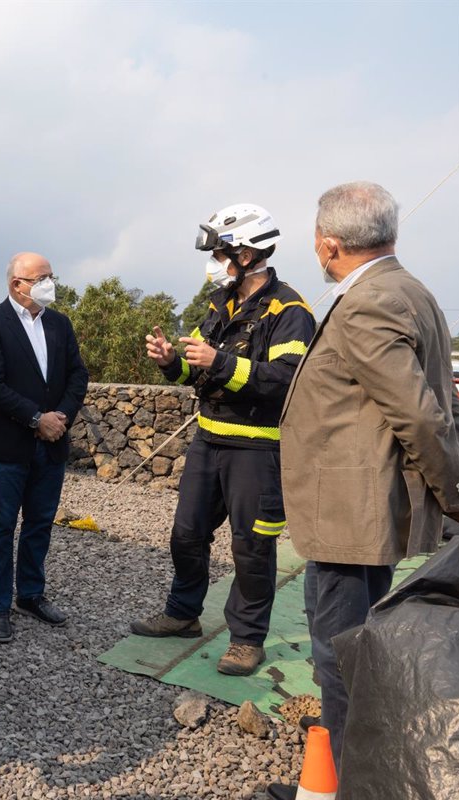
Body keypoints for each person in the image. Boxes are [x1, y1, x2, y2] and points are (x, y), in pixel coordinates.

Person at [266, 182, 459, 798]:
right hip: (355, 508)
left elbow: (420, 414)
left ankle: (349, 785)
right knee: (348, 645)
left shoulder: (367, 302)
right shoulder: (410, 290)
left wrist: (455, 494)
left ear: (327, 245)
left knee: (340, 654)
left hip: (353, 514)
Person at [131, 204, 315, 677]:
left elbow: (285, 380)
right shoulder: (220, 302)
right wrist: (171, 361)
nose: (215, 259)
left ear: (248, 252)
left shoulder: (290, 310)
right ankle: (182, 614)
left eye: (220, 250)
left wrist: (220, 363)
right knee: (186, 534)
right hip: (208, 441)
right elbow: (197, 364)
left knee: (252, 547)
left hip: (257, 450)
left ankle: (247, 639)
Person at [0, 252, 89, 644]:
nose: (48, 283)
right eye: (41, 278)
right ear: (16, 284)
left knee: (40, 523)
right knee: (2, 527)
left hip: (52, 443)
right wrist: (37, 419)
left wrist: (61, 417)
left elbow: (77, 374)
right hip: (9, 445)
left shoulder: (59, 323)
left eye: (51, 276)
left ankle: (31, 595)